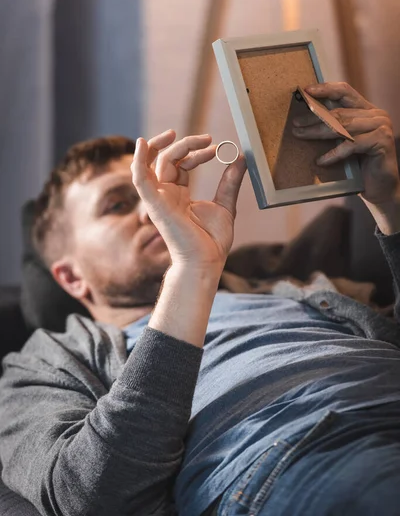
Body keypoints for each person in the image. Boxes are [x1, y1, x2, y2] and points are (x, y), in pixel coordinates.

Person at [1, 81, 400, 516]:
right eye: (117, 205)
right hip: (306, 448)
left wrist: (390, 205)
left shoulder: (295, 292)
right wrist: (193, 270)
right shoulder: (45, 362)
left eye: (148, 193)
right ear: (71, 277)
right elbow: (90, 493)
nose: (149, 208)